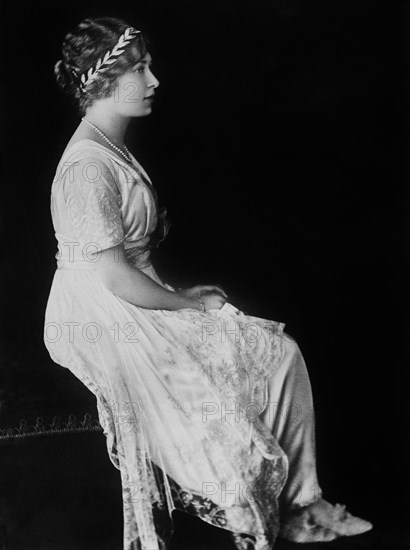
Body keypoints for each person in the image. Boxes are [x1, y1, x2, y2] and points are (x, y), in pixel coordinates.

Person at [45, 16, 373, 550]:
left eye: (149, 66)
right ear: (103, 80)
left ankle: (303, 506)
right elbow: (112, 275)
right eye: (141, 69)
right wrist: (183, 305)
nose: (154, 82)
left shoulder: (110, 146)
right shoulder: (86, 165)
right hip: (100, 313)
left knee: (280, 353)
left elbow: (129, 262)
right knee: (216, 403)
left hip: (126, 295)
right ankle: (257, 523)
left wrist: (185, 296)